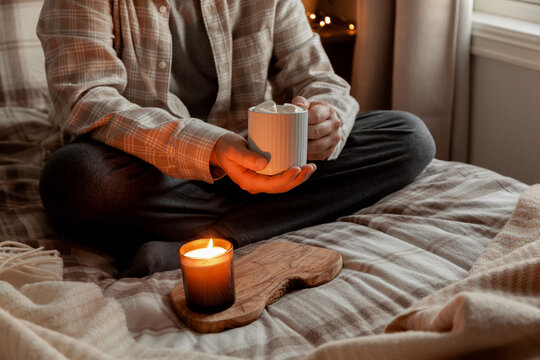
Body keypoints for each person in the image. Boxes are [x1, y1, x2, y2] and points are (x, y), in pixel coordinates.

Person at [37, 0, 435, 277]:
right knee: (77, 181)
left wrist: (327, 119)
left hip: (255, 162)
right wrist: (210, 148)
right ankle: (256, 216)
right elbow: (86, 98)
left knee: (408, 136)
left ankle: (197, 243)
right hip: (154, 171)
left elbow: (318, 77)